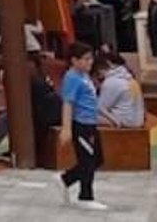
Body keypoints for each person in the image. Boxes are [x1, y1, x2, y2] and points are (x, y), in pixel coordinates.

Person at [59, 42, 107, 210]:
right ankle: (85, 196)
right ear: (74, 60)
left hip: (91, 123)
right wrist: (66, 129)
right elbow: (68, 103)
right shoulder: (72, 78)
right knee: (87, 160)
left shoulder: (84, 76)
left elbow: (92, 100)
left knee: (98, 159)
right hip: (81, 125)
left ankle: (67, 179)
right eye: (85, 59)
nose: (90, 62)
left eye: (90, 59)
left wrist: (105, 116)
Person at [96, 48, 144, 128]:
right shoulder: (131, 79)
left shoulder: (111, 81)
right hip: (138, 120)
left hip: (124, 121)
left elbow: (100, 107)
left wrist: (114, 120)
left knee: (87, 116)